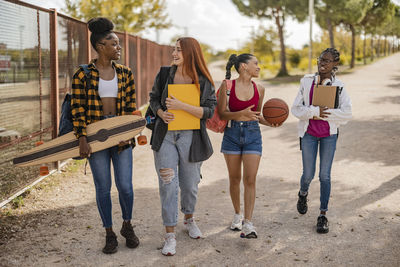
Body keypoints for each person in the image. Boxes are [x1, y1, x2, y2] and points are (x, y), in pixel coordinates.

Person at [71, 17, 139, 254]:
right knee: (103, 187)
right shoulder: (82, 74)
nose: (118, 47)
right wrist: (82, 138)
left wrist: (127, 133)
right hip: (94, 137)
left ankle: (127, 225)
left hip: (121, 136)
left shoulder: (125, 73)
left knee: (126, 186)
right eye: (115, 44)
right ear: (101, 46)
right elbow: (78, 108)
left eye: (119, 44)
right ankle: (109, 233)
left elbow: (130, 107)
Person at [149, 37, 216, 256]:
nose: (174, 54)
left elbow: (209, 112)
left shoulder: (204, 80)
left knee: (189, 184)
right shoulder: (164, 73)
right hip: (165, 135)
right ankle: (169, 235)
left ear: (190, 53)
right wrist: (161, 113)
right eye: (173, 50)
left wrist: (181, 106)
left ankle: (189, 219)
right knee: (168, 183)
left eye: (178, 50)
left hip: (191, 137)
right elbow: (153, 99)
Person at [218, 54, 280, 239]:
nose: (259, 67)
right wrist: (239, 114)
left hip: (253, 134)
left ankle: (248, 223)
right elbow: (222, 114)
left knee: (250, 179)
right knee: (235, 178)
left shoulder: (259, 89)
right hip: (232, 135)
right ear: (244, 66)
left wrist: (270, 123)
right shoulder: (227, 86)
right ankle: (237, 214)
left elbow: (256, 115)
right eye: (256, 64)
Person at [291, 48, 352, 233]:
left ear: (335, 64)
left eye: (327, 60)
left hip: (329, 136)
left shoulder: (339, 86)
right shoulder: (306, 81)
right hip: (309, 134)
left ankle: (323, 215)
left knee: (324, 175)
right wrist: (314, 112)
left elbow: (347, 113)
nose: (322, 63)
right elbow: (296, 109)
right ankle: (303, 193)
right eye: (320, 59)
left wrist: (325, 114)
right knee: (308, 174)